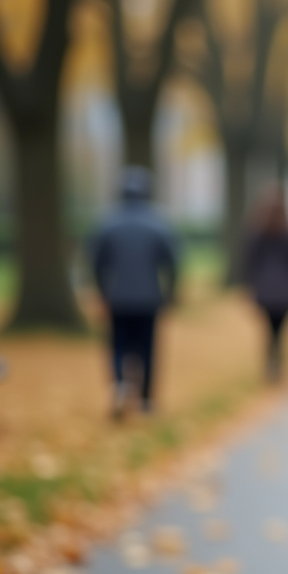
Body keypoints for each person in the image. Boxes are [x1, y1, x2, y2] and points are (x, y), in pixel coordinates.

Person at [90, 166, 180, 419]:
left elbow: (96, 263)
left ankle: (120, 385)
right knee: (148, 349)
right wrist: (170, 294)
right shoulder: (157, 222)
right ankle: (146, 400)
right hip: (149, 298)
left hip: (117, 298)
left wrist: (101, 292)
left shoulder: (107, 222)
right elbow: (171, 262)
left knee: (118, 346)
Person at [244, 190, 288, 382]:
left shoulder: (257, 233)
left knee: (268, 330)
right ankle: (277, 363)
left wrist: (250, 285)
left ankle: (270, 364)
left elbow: (250, 261)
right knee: (280, 332)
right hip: (283, 289)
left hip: (264, 288)